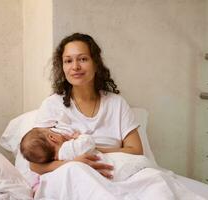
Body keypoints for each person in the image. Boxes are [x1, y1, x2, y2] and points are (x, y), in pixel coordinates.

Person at [30, 32, 144, 178]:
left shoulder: (117, 103)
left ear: (95, 63)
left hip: (117, 173)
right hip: (73, 175)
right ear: (62, 66)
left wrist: (92, 150)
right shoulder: (52, 104)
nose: (75, 66)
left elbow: (136, 150)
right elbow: (34, 164)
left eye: (83, 59)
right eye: (68, 61)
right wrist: (74, 162)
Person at [20, 127, 152, 181]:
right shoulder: (68, 147)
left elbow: (135, 149)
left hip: (101, 167)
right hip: (107, 166)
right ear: (52, 138)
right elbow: (88, 143)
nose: (75, 67)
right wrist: (79, 137)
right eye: (53, 130)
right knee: (125, 167)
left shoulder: (59, 156)